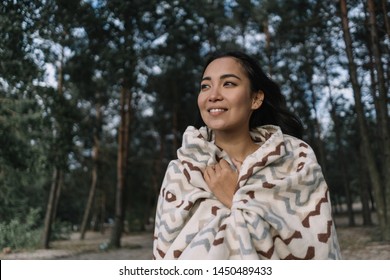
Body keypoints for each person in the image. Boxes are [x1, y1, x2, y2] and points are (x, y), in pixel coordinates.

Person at [153, 50, 341, 260]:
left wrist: (235, 198)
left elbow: (316, 249)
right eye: (205, 86)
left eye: (229, 84)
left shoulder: (296, 160)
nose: (213, 95)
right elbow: (164, 256)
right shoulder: (182, 171)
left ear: (256, 98)